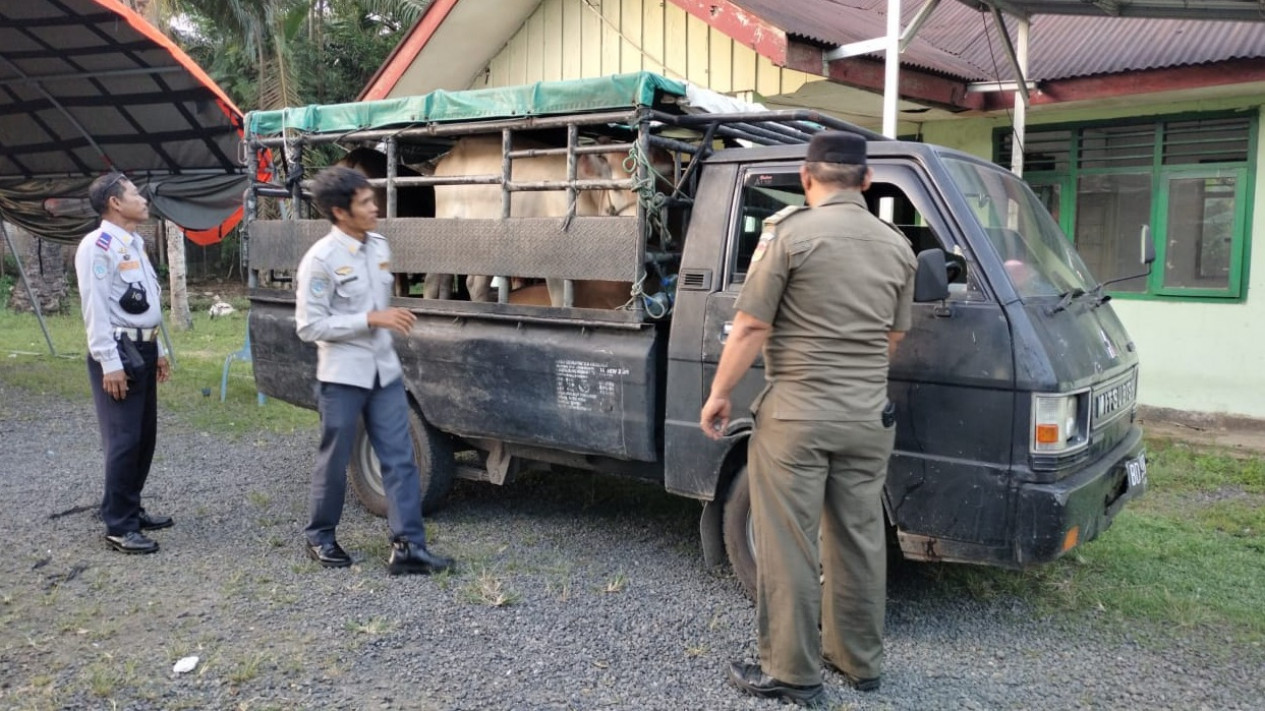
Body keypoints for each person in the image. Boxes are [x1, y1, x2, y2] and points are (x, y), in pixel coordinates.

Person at [700, 131, 916, 705]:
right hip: (868, 415)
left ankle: (792, 673)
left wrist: (720, 393)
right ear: (867, 181)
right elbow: (893, 335)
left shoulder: (790, 235)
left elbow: (750, 326)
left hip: (797, 414)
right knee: (859, 536)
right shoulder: (896, 245)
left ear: (806, 178)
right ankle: (859, 663)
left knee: (789, 540)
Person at [294, 165, 453, 576]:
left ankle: (408, 547)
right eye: (364, 202)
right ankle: (321, 537)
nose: (373, 207)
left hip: (384, 373)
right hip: (343, 377)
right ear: (339, 211)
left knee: (401, 459)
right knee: (334, 458)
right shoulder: (321, 260)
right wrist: (370, 319)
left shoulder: (379, 247)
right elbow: (309, 325)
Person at [75, 172, 174, 554]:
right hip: (118, 351)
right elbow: (96, 308)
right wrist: (108, 362)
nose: (142, 198)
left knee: (144, 437)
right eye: (134, 193)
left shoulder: (133, 243)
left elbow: (146, 304)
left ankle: (130, 508)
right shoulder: (97, 245)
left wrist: (160, 349)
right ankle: (118, 526)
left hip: (143, 348)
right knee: (124, 440)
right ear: (115, 202)